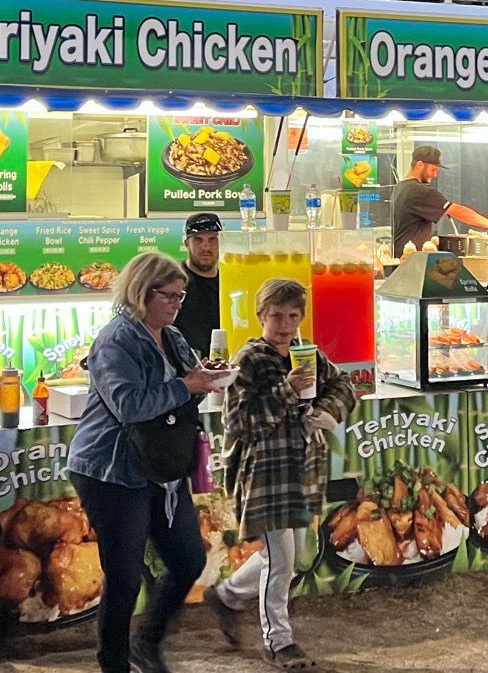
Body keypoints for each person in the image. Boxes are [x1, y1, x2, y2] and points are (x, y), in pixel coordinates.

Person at [68, 252, 232, 673]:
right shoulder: (115, 341)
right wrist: (186, 385)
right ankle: (114, 663)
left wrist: (209, 379)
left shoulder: (172, 336)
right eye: (170, 295)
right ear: (143, 292)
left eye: (182, 295)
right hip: (111, 468)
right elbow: (129, 405)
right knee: (123, 578)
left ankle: (147, 642)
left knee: (188, 559)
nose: (178, 303)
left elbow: (186, 386)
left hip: (162, 468)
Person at [209, 279, 355, 670]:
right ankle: (278, 641)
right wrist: (286, 391)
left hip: (302, 472)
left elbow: (344, 385)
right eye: (277, 316)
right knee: (281, 560)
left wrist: (327, 410)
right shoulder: (251, 360)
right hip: (266, 476)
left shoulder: (308, 354)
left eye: (293, 316)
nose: (285, 324)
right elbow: (240, 423)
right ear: (261, 316)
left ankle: (226, 594)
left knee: (297, 556)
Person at [389, 145, 488, 257]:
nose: (435, 174)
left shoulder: (400, 187)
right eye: (433, 169)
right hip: (412, 259)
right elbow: (459, 212)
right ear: (420, 164)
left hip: (401, 255)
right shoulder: (419, 190)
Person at [174, 212, 224, 354]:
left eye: (212, 239)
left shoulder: (228, 283)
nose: (206, 247)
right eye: (198, 240)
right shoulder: (174, 280)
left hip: (221, 366)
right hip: (181, 368)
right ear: (186, 244)